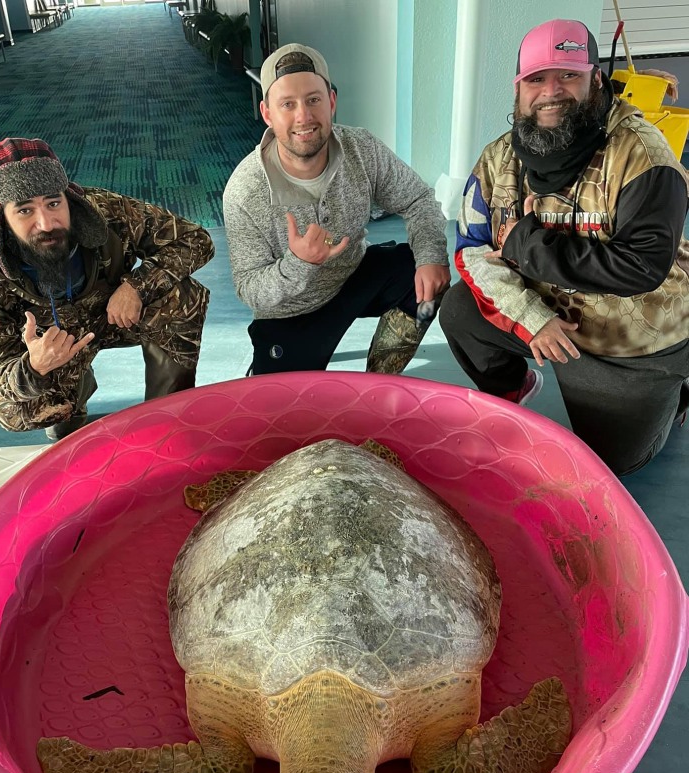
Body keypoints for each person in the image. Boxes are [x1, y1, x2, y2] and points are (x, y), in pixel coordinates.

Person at [438, 19, 689, 477]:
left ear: (595, 80)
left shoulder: (645, 157)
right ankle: (514, 391)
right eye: (536, 78)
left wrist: (526, 245)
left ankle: (675, 391)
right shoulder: (497, 161)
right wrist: (531, 318)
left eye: (567, 75)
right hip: (550, 314)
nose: (551, 91)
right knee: (459, 312)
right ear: (518, 90)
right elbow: (471, 250)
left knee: (617, 462)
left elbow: (641, 268)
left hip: (630, 339)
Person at [0, 138, 214, 440]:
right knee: (19, 408)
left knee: (180, 296)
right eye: (25, 211)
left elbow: (196, 240)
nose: (46, 223)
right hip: (53, 347)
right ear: (1, 217)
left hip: (111, 316)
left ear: (68, 198)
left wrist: (136, 286)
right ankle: (68, 410)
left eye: (54, 203)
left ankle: (166, 419)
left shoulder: (106, 211)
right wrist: (35, 366)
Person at [223, 43, 450, 376]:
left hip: (354, 274)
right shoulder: (244, 190)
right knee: (286, 415)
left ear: (331, 102)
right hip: (292, 311)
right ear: (268, 113)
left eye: (314, 99)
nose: (304, 116)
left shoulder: (361, 146)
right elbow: (250, 288)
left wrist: (431, 256)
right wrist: (299, 263)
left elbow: (417, 198)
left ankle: (380, 382)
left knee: (424, 276)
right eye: (288, 104)